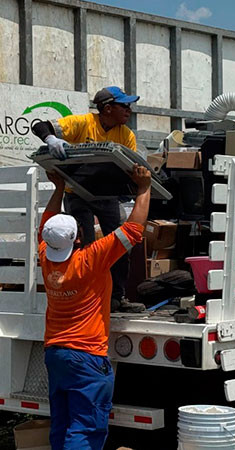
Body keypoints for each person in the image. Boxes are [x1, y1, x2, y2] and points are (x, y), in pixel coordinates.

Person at [40, 164, 152, 449]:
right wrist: (144, 188)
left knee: (62, 424)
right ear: (78, 236)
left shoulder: (46, 257)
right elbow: (133, 230)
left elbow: (47, 225)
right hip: (86, 356)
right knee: (85, 429)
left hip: (56, 353)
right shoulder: (90, 260)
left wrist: (58, 188)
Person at [32, 86, 144, 313]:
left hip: (107, 196)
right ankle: (85, 296)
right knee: (85, 246)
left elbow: (129, 170)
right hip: (78, 194)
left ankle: (117, 297)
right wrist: (51, 139)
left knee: (120, 245)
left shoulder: (126, 135)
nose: (129, 110)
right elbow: (39, 126)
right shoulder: (84, 123)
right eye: (125, 105)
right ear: (108, 108)